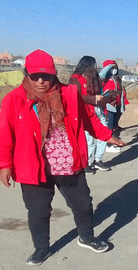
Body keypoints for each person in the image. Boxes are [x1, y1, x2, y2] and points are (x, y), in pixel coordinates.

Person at [0, 49, 126, 266]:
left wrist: (107, 136)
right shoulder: (14, 99)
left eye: (46, 76)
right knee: (38, 211)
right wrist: (5, 164)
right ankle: (41, 248)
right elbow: (5, 133)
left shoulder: (69, 93)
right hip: (33, 167)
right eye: (35, 76)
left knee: (83, 205)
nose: (41, 81)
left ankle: (87, 237)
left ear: (54, 73)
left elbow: (88, 119)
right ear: (26, 74)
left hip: (69, 162)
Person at [69, 56, 116, 174]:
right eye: (94, 65)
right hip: (85, 111)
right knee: (89, 139)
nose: (96, 67)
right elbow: (74, 97)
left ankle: (98, 159)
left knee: (104, 133)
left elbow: (103, 77)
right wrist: (93, 98)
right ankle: (87, 163)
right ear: (87, 65)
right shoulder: (75, 79)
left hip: (98, 109)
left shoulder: (93, 77)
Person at [102, 60, 128, 153]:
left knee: (114, 125)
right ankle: (108, 144)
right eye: (112, 67)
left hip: (117, 104)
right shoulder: (104, 79)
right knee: (109, 125)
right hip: (108, 105)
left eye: (115, 67)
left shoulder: (116, 78)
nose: (114, 69)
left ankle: (114, 143)